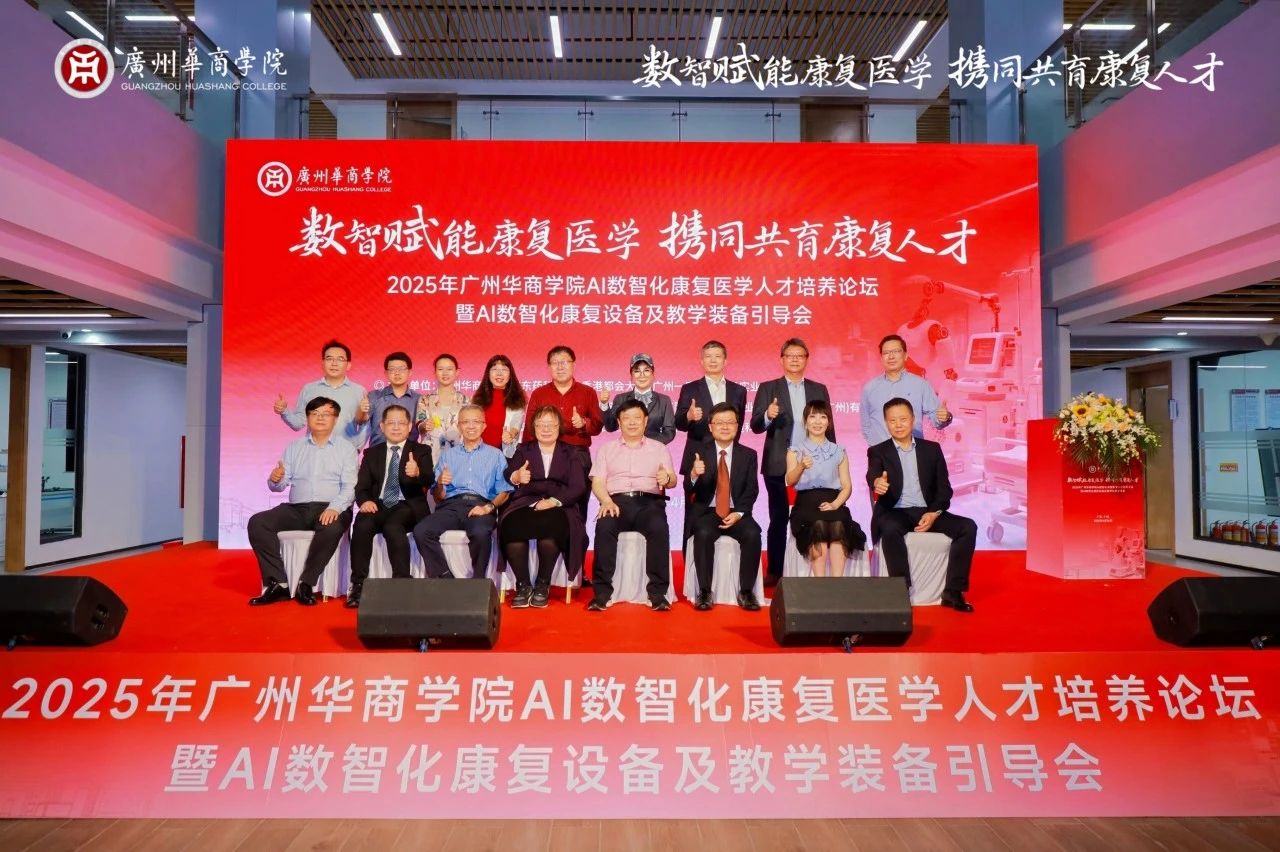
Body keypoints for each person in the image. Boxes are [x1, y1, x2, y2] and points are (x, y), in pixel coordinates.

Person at [867, 397, 977, 612]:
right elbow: (873, 475)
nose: (898, 425)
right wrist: (877, 483)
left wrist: (934, 513)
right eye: (892, 421)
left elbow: (944, 490)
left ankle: (953, 592)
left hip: (926, 511)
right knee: (889, 529)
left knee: (968, 527)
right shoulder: (878, 451)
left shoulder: (932, 449)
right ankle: (900, 591)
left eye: (903, 419)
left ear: (913, 420)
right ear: (886, 423)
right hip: (895, 511)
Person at [247, 397, 357, 606]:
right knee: (258, 522)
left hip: (331, 507)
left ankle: (306, 582)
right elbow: (279, 486)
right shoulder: (294, 447)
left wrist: (335, 507)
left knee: (332, 527)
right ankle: (278, 583)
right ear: (307, 418)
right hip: (297, 508)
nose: (320, 418)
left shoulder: (346, 449)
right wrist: (275, 479)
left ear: (335, 419)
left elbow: (349, 487)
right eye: (314, 413)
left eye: (326, 414)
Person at [750, 337, 832, 588]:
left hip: (813, 463)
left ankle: (809, 568)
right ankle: (775, 570)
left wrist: (831, 460)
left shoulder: (819, 389)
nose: (795, 360)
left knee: (811, 515)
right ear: (782, 360)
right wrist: (768, 415)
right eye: (790, 356)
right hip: (778, 463)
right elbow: (755, 426)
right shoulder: (768, 388)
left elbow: (829, 428)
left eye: (800, 356)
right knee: (778, 518)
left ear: (806, 360)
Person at [588, 399, 677, 612]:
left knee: (658, 528)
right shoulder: (606, 449)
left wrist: (667, 479)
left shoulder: (659, 448)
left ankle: (657, 594)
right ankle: (601, 594)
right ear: (619, 422)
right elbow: (597, 482)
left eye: (637, 418)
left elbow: (672, 480)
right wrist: (606, 500)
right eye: (626, 418)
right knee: (604, 526)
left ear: (646, 421)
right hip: (616, 501)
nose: (632, 422)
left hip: (649, 503)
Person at [523, 345, 603, 582]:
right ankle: (544, 572)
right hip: (545, 457)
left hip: (577, 456)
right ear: (549, 367)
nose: (560, 366)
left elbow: (598, 426)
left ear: (573, 364)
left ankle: (577, 571)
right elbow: (529, 429)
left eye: (564, 361)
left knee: (578, 513)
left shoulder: (587, 392)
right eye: (555, 362)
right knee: (544, 509)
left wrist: (583, 423)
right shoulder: (539, 393)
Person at [345, 404, 434, 608]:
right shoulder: (372, 453)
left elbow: (430, 480)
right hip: (378, 504)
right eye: (391, 423)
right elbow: (362, 486)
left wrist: (417, 473)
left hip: (408, 505)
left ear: (410, 426)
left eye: (401, 423)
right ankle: (358, 585)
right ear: (382, 426)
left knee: (393, 526)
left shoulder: (421, 450)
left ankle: (401, 584)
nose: (396, 427)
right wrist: (364, 501)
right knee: (362, 524)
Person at [500, 406, 589, 608]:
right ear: (534, 427)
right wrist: (516, 476)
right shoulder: (524, 450)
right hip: (527, 501)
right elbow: (509, 474)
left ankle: (542, 584)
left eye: (551, 425)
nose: (546, 429)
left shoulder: (571, 452)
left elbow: (578, 487)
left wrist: (553, 502)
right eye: (541, 425)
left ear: (559, 427)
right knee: (510, 526)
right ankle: (523, 585)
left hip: (560, 504)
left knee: (552, 529)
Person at [412, 405, 513, 579]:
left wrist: (488, 507)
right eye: (466, 422)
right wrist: (440, 483)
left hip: (480, 505)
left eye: (476, 422)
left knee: (480, 532)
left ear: (484, 426)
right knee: (421, 531)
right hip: (451, 506)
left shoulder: (496, 455)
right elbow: (438, 497)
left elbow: (505, 491)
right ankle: (445, 578)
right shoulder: (447, 455)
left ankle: (478, 581)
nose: (471, 426)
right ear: (459, 426)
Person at [683, 402, 763, 611]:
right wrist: (693, 474)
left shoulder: (749, 454)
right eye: (719, 422)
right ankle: (704, 591)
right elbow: (688, 489)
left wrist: (739, 513)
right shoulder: (699, 452)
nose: (725, 427)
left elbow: (752, 490)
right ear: (710, 427)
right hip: (708, 511)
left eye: (730, 422)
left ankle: (746, 591)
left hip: (737, 512)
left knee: (753, 533)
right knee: (703, 533)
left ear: (737, 426)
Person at [785, 400, 866, 577]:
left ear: (828, 422)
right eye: (812, 417)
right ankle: (820, 583)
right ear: (805, 421)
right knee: (819, 525)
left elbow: (847, 486)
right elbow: (789, 480)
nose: (817, 422)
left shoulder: (839, 451)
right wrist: (801, 466)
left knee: (839, 524)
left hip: (834, 502)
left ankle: (836, 583)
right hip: (806, 504)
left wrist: (835, 504)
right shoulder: (795, 450)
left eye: (822, 417)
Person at [860, 334, 953, 447]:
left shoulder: (921, 385)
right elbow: (866, 426)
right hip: (880, 454)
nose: (891, 356)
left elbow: (937, 420)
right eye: (886, 353)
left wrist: (945, 417)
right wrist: (876, 449)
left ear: (905, 356)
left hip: (912, 452)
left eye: (896, 351)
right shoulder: (870, 388)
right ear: (881, 358)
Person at [273, 340, 364, 444]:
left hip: (346, 451)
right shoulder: (309, 389)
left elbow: (365, 425)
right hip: (314, 450)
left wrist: (356, 448)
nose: (334, 363)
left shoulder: (359, 391)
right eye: (329, 358)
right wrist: (284, 411)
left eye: (340, 359)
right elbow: (298, 424)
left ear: (348, 365)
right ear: (322, 363)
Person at [674, 340, 747, 448]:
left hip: (728, 452)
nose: (713, 360)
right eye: (708, 356)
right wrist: (688, 416)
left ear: (725, 361)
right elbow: (678, 424)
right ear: (702, 361)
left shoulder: (739, 391)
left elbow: (738, 425)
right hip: (698, 451)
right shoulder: (689, 389)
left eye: (717, 356)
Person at [600, 352, 676, 444]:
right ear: (631, 376)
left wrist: (649, 444)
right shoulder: (621, 399)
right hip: (627, 450)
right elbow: (611, 427)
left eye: (646, 370)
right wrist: (604, 404)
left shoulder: (664, 400)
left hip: (654, 451)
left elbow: (669, 432)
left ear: (653, 374)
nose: (642, 375)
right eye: (637, 371)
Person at [353, 351, 423, 448]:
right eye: (392, 369)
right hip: (378, 452)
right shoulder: (374, 396)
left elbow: (422, 427)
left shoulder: (419, 399)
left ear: (410, 372)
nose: (397, 373)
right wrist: (361, 410)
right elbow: (360, 420)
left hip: (409, 453)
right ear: (386, 373)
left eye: (401, 369)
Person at [416, 353, 470, 461]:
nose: (445, 373)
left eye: (449, 369)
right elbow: (419, 425)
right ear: (435, 372)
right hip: (430, 454)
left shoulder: (466, 401)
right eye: (440, 369)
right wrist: (425, 425)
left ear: (457, 372)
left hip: (458, 454)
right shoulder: (425, 399)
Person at [473, 354, 527, 458]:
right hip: (478, 451)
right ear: (488, 373)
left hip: (503, 452)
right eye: (495, 369)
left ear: (510, 375)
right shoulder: (477, 399)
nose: (499, 373)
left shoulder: (517, 398)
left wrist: (510, 435)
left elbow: (517, 422)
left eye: (504, 370)